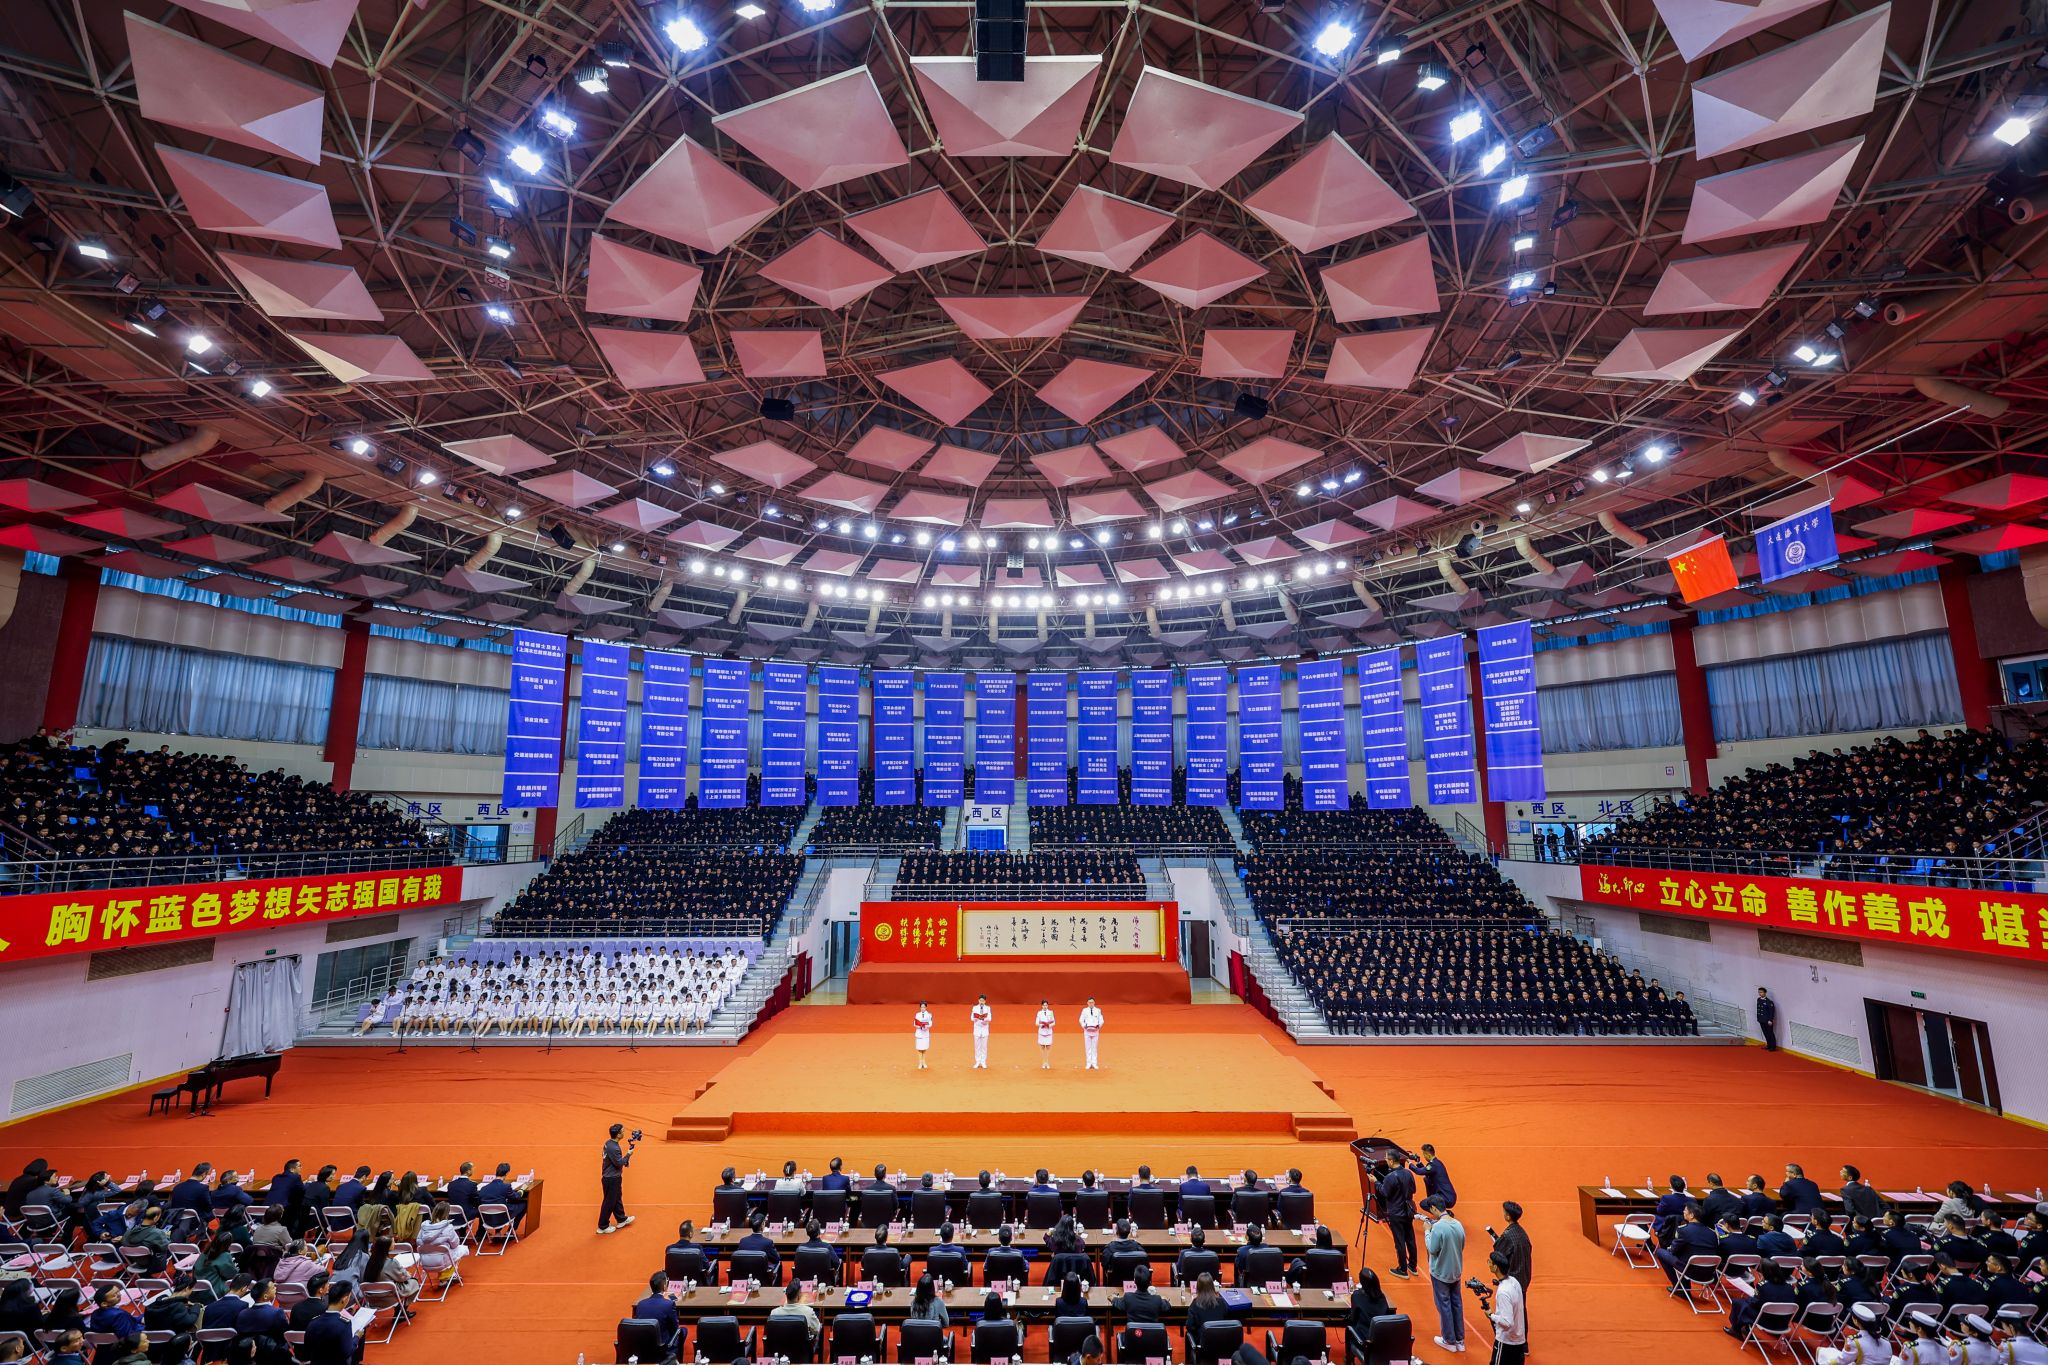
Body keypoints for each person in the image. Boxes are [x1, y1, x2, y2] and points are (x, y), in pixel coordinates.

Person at [1421, 1197, 1466, 1353]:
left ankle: (1449, 1340)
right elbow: (1462, 1245)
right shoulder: (1458, 1224)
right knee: (1457, 1304)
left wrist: (1427, 1231)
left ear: (1434, 1208)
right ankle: (1460, 1340)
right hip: (1456, 1271)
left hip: (1440, 1273)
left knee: (1444, 1305)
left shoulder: (1438, 1227)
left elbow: (1432, 1249)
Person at [300, 1281, 360, 1365]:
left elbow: (307, 1349)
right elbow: (347, 1352)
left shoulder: (313, 1322)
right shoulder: (344, 1324)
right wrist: (357, 1337)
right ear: (344, 1299)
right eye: (349, 1297)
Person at [1487, 1202, 1532, 1311]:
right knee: (1521, 1309)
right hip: (1524, 1278)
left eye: (1504, 1212)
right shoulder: (1523, 1233)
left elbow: (1499, 1254)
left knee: (1510, 1310)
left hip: (1513, 1279)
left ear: (1508, 1216)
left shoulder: (1507, 1236)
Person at [1379, 1161, 1418, 1279]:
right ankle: (1413, 1266)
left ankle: (1402, 1269)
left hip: (1396, 1213)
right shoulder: (1408, 1173)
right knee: (1410, 1239)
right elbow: (1413, 1190)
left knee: (1400, 1242)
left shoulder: (1390, 1177)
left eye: (1387, 1158)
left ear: (1391, 1161)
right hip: (1408, 1211)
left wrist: (1376, 1182)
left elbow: (1384, 1192)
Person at [1486, 1249, 1525, 1365]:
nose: (1488, 1264)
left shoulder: (1503, 1292)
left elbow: (1507, 1322)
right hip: (1519, 1340)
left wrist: (1491, 1315)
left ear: (1496, 1267)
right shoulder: (1514, 1282)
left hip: (1506, 1342)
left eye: (1490, 1262)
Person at [632, 1272, 683, 1355]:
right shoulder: (669, 1304)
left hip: (643, 1346)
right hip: (662, 1347)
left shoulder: (640, 1304)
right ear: (664, 1286)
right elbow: (675, 1328)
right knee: (683, 1331)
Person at [598, 1123, 635, 1234]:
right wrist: (628, 1155)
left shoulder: (609, 1143)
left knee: (617, 1198)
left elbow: (616, 1160)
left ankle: (621, 1219)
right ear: (618, 1134)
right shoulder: (614, 1148)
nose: (624, 1133)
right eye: (623, 1131)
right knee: (609, 1202)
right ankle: (602, 1226)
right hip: (611, 1179)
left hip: (613, 1177)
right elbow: (618, 1163)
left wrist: (625, 1159)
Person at [1183, 1274, 1237, 1350]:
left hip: (1203, 1345)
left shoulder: (1195, 1304)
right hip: (1222, 1342)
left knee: (1189, 1334)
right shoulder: (1222, 1302)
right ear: (1212, 1287)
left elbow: (1189, 1326)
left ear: (1198, 1287)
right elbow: (1227, 1320)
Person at [768, 1283, 822, 1350]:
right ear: (799, 1295)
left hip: (780, 1350)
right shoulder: (808, 1312)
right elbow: (817, 1330)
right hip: (802, 1351)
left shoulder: (774, 1313)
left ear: (786, 1295)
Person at [1346, 1267, 1395, 1333]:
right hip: (1381, 1334)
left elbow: (1353, 1319)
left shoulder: (1357, 1296)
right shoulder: (1382, 1296)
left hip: (1365, 1335)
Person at [1411, 1145, 1456, 1209]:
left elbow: (1419, 1171)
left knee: (1424, 1204)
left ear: (1428, 1155)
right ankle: (1443, 1212)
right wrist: (1418, 1162)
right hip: (1447, 1196)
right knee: (1427, 1179)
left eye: (1424, 1154)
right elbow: (1426, 1171)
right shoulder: (1437, 1163)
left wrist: (1409, 1163)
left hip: (1445, 1197)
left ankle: (1444, 1213)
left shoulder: (1434, 1165)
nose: (1424, 1156)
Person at [1079, 997, 1104, 1070]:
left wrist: (1098, 1026)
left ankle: (1094, 1063)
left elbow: (1101, 1020)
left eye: (1092, 1002)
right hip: (1087, 1031)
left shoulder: (1098, 1010)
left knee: (1094, 1048)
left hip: (1095, 1031)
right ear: (1087, 1003)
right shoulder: (1084, 1010)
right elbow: (1081, 1020)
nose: (1091, 1004)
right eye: (1089, 1002)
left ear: (1094, 1003)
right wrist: (1084, 1026)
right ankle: (1088, 1063)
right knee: (1088, 1048)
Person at [971, 995, 993, 1070]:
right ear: (978, 1000)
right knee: (977, 1047)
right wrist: (975, 1018)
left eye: (983, 1001)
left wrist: (985, 1019)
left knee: (984, 1047)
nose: (981, 1002)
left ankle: (983, 1062)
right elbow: (971, 1018)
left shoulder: (988, 1008)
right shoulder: (975, 1008)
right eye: (980, 1000)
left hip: (984, 1029)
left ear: (985, 1001)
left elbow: (990, 1018)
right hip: (977, 1029)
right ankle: (977, 1062)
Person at [913, 1001, 933, 1071]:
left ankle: (924, 1062)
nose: (922, 1008)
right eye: (921, 1007)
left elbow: (930, 1023)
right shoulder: (917, 1014)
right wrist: (920, 1026)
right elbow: (914, 1023)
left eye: (924, 1007)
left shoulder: (929, 1015)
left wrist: (925, 1026)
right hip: (919, 1033)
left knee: (924, 1049)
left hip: (925, 1033)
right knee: (919, 1049)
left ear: (926, 1007)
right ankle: (920, 1063)